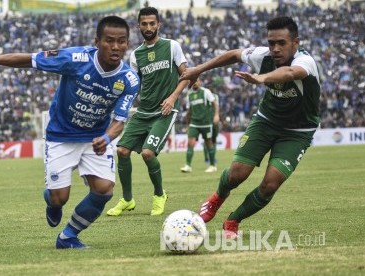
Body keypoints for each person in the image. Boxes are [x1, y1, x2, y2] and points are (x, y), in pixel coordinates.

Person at [0, 16, 140, 249]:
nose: (116, 47)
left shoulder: (129, 80)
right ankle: (52, 202)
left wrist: (107, 137)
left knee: (104, 189)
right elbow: (30, 59)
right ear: (97, 41)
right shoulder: (74, 59)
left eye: (121, 41)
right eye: (109, 41)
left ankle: (68, 237)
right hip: (61, 135)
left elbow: (119, 121)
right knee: (59, 198)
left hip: (95, 138)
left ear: (127, 43)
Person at [179, 16, 320, 237]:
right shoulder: (262, 56)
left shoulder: (305, 62)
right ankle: (217, 198)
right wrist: (199, 69)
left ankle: (233, 219)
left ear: (296, 42)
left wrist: (262, 78)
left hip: (297, 132)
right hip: (266, 121)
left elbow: (291, 73)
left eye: (281, 43)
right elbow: (234, 54)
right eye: (271, 43)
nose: (275, 48)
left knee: (270, 185)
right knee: (237, 174)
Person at [106, 7, 188, 216]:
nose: (149, 27)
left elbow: (187, 75)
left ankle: (160, 195)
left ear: (159, 24)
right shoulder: (136, 55)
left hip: (164, 112)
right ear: (139, 26)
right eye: (145, 24)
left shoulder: (172, 47)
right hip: (143, 112)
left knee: (147, 153)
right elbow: (133, 86)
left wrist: (172, 97)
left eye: (152, 23)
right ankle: (127, 199)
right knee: (122, 151)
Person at [180, 78, 220, 173]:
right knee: (190, 143)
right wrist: (188, 124)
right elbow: (189, 111)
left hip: (206, 123)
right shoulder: (189, 95)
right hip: (194, 123)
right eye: (193, 81)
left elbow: (215, 104)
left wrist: (216, 115)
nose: (194, 83)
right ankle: (188, 165)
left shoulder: (206, 92)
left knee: (209, 143)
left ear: (200, 82)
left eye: (196, 81)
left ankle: (212, 165)